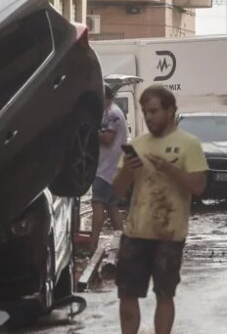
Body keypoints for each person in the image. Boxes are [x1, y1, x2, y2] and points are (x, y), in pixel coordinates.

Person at [112, 85, 208, 334]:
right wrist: (127, 171)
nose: (149, 117)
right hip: (135, 233)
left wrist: (170, 170)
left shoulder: (189, 144)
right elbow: (117, 191)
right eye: (145, 112)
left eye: (154, 111)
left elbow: (198, 187)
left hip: (169, 235)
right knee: (127, 295)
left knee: (165, 295)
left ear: (171, 110)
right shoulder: (137, 144)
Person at [89, 84, 127, 253]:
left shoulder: (112, 114)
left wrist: (91, 132)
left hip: (105, 169)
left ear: (106, 97)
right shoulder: (114, 112)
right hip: (113, 168)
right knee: (112, 207)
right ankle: (124, 245)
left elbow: (107, 139)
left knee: (97, 204)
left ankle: (93, 245)